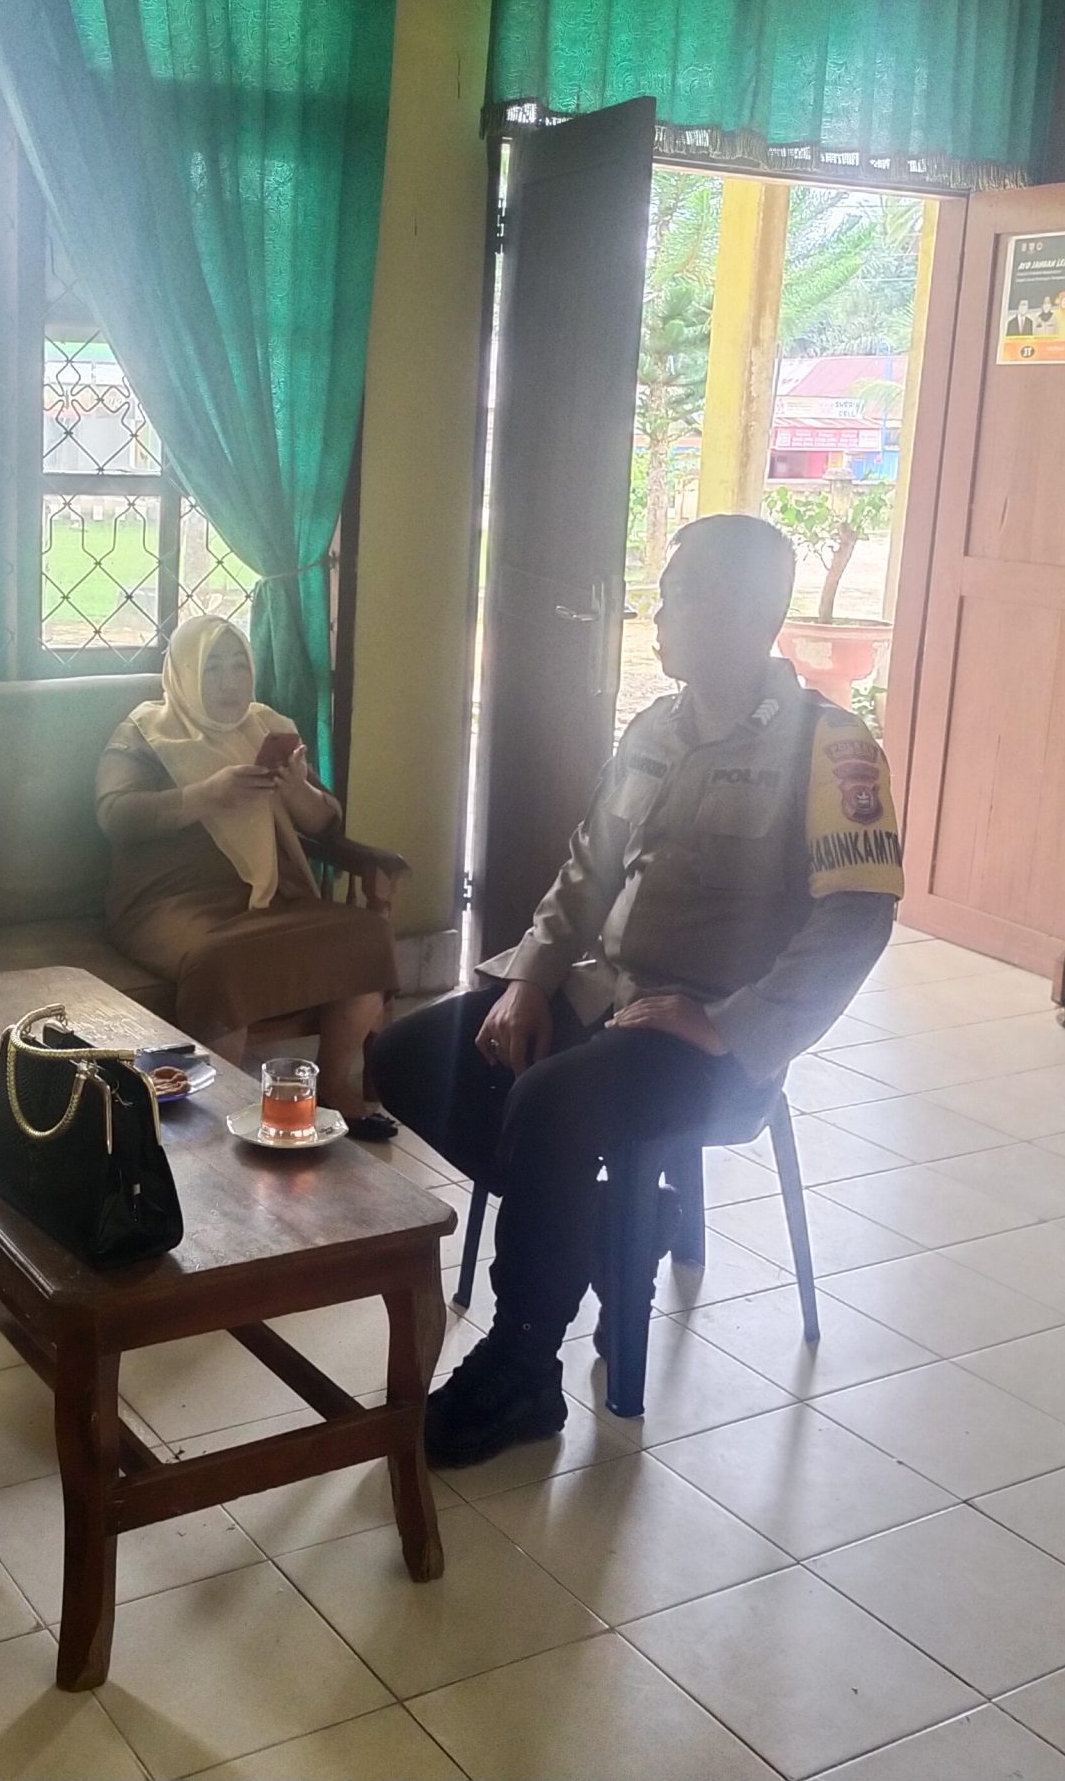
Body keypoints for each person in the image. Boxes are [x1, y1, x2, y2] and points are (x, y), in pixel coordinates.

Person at [370, 514, 903, 1468]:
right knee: (408, 1056)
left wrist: (730, 1025)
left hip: (711, 1040)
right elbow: (586, 872)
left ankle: (523, 1365)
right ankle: (619, 1225)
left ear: (750, 614)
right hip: (602, 996)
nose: (658, 613)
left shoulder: (829, 748)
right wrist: (530, 979)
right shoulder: (653, 729)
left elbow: (857, 919)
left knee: (549, 1104)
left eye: (681, 594)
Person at [97, 614, 401, 1137]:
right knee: (222, 961)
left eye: (239, 666)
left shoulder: (267, 727)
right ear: (184, 672)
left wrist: (296, 789)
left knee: (367, 934)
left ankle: (332, 1084)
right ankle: (223, 1106)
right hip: (171, 902)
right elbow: (115, 815)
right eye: (212, 667)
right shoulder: (146, 732)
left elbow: (326, 824)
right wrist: (207, 794)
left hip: (272, 897)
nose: (229, 681)